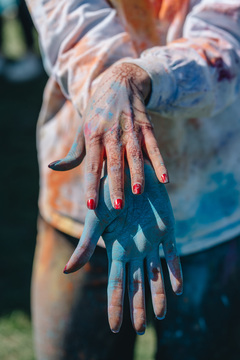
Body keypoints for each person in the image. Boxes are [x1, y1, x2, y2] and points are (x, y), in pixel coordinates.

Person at [26, 0, 240, 359]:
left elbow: (227, 37)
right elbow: (68, 21)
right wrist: (114, 91)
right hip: (87, 206)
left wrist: (138, 76)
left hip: (210, 199)